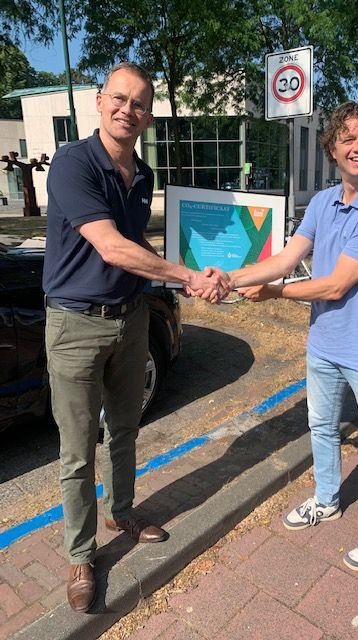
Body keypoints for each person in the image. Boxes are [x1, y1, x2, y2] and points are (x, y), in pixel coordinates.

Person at [43, 62, 228, 613]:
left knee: (125, 428)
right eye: (119, 99)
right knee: (77, 449)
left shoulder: (142, 175)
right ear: (100, 102)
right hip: (76, 324)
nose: (128, 110)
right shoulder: (74, 164)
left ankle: (120, 511)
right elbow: (111, 246)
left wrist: (191, 277)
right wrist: (188, 275)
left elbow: (136, 246)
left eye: (139, 103)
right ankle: (81, 555)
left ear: (148, 116)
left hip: (131, 320)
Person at [212, 101, 358, 571]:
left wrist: (275, 292)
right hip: (325, 342)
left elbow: (336, 284)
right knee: (320, 426)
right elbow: (285, 258)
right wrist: (230, 279)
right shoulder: (322, 203)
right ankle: (327, 499)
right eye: (348, 139)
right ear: (332, 149)